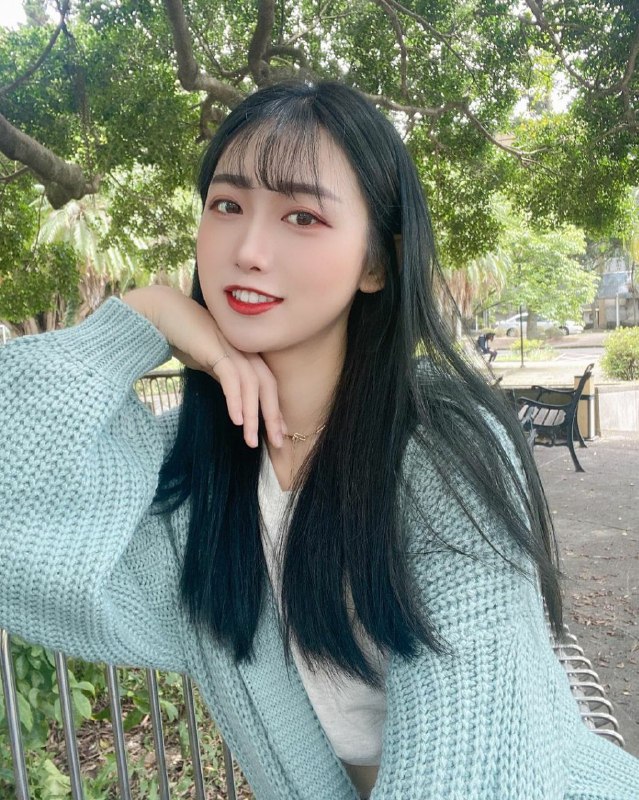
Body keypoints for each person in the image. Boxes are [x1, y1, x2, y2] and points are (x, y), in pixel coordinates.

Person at [1, 81, 638, 800]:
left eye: (302, 216)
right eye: (226, 205)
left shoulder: (442, 448)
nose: (248, 250)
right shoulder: (188, 474)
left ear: (375, 264)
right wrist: (140, 319)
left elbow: (476, 769)